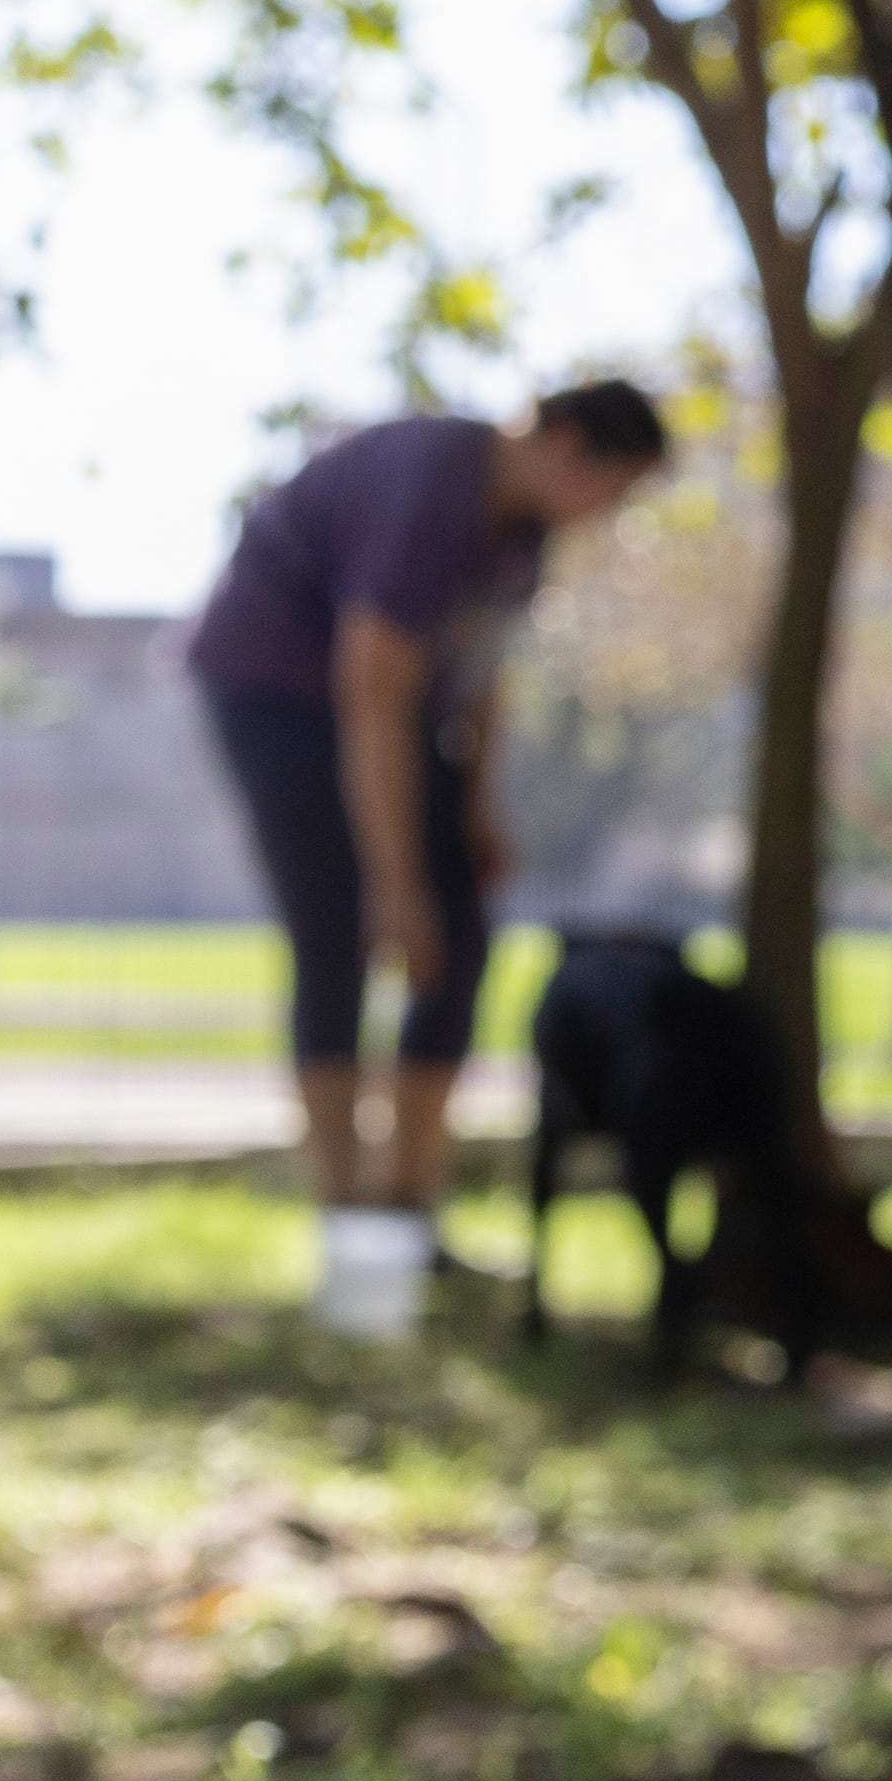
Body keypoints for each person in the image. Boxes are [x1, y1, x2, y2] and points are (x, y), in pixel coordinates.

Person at [181, 380, 668, 1264]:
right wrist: (394, 881)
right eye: (617, 485)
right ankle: (351, 1219)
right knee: (337, 937)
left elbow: (479, 673)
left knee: (455, 940)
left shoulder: (526, 532)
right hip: (279, 695)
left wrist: (476, 811)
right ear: (562, 442)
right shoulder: (431, 489)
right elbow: (369, 686)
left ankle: (407, 1204)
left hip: (396, 715)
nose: (611, 511)